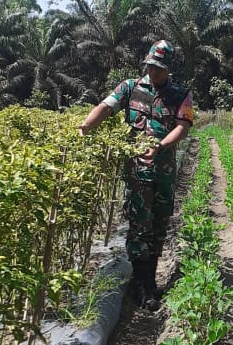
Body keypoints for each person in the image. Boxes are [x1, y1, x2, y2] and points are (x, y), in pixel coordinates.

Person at [79, 40, 194, 309]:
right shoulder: (130, 88)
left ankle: (150, 278)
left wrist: (161, 146)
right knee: (139, 225)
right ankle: (142, 285)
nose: (153, 71)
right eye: (151, 66)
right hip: (136, 173)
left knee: (160, 224)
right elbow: (106, 107)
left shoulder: (181, 95)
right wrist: (85, 127)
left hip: (164, 173)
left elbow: (183, 127)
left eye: (159, 68)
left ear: (168, 69)